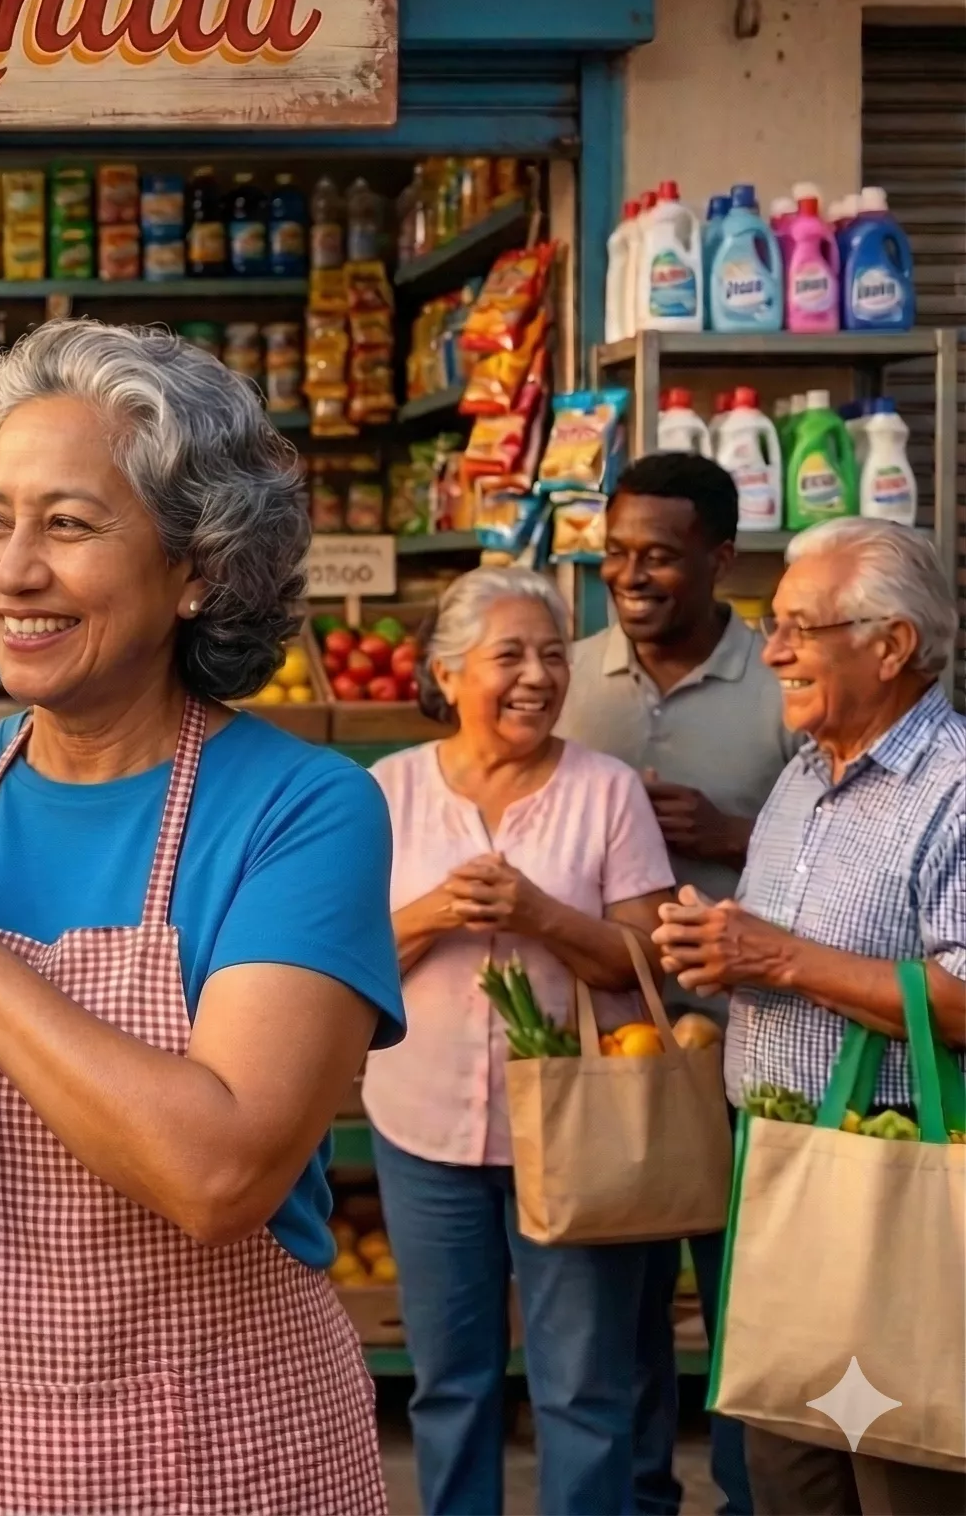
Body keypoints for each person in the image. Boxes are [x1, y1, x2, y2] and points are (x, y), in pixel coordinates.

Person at [0, 320, 405, 1513]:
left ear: (196, 565)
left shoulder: (303, 809)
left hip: (214, 1458)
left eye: (67, 524)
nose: (11, 570)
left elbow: (217, 1168)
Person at [655, 517, 966, 1516]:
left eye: (799, 627)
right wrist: (722, 955)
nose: (772, 652)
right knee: (787, 1478)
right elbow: (788, 961)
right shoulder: (801, 777)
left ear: (892, 644)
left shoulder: (955, 789)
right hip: (783, 1178)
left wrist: (777, 957)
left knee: (904, 1473)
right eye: (771, 623)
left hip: (900, 1187)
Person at [363, 563, 678, 1516]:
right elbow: (338, 957)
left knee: (582, 1388)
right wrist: (434, 911)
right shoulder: (387, 791)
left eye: (552, 656)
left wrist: (541, 914)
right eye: (510, 656)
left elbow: (645, 961)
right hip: (423, 1128)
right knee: (450, 1384)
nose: (537, 677)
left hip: (578, 1136)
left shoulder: (606, 791)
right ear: (448, 673)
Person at [557, 451, 794, 1516]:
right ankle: (642, 1499)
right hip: (619, 1049)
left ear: (720, 558)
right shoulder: (567, 677)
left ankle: (747, 1495)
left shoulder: (781, 683)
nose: (630, 574)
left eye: (658, 554)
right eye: (616, 553)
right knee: (624, 1315)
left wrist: (734, 833)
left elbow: (845, 844)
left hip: (753, 1047)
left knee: (751, 1302)